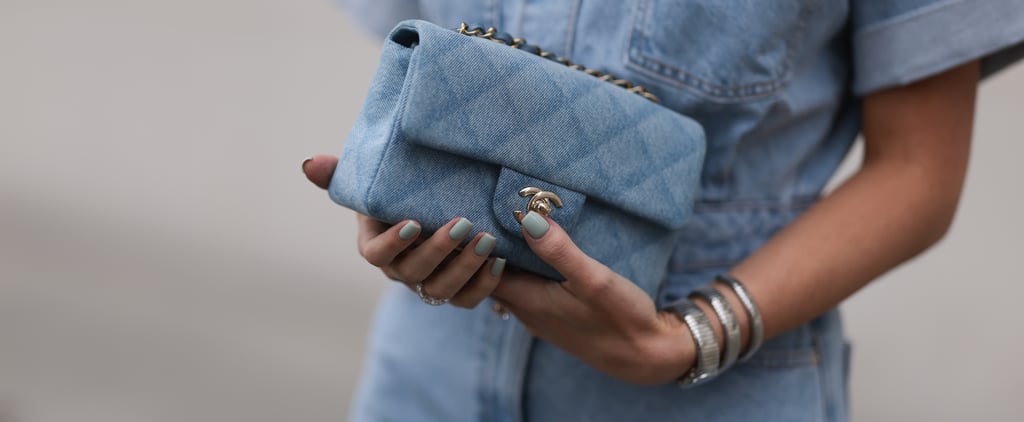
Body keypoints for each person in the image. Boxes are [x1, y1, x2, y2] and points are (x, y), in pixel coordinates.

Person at [303, 1, 1024, 420]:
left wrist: (691, 339)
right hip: (424, 377)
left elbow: (918, 171)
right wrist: (395, 184)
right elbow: (421, 46)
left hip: (717, 392)